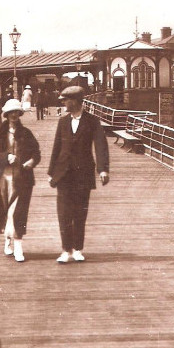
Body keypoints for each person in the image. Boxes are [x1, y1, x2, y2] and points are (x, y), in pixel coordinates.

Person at [47, 85, 109, 263]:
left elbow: (100, 146)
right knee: (64, 213)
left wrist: (103, 169)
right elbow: (56, 148)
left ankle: (78, 249)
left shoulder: (92, 121)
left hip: (83, 174)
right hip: (64, 174)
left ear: (75, 101)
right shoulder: (63, 122)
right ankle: (66, 250)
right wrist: (52, 172)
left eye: (66, 100)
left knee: (80, 213)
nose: (64, 103)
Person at [0, 98, 41, 263]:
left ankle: (18, 247)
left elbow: (36, 153)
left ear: (20, 114)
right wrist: (6, 157)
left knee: (17, 212)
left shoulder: (26, 133)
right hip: (2, 178)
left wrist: (31, 162)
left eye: (17, 112)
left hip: (22, 178)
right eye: (11, 113)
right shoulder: (0, 133)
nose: (14, 115)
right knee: (7, 212)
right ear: (6, 115)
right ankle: (8, 240)